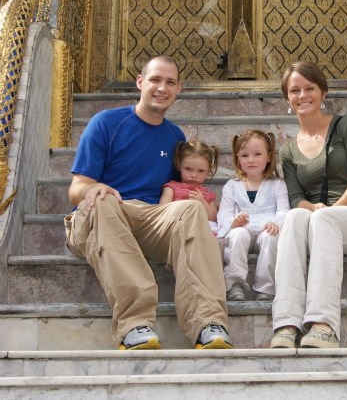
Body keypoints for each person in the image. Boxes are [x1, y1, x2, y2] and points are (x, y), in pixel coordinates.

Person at [65, 55, 233, 351]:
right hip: (101, 215)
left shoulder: (175, 136)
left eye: (170, 82)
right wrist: (95, 187)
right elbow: (76, 189)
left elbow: (180, 190)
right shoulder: (107, 122)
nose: (162, 88)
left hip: (149, 217)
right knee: (104, 200)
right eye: (155, 80)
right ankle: (134, 325)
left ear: (179, 89)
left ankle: (208, 323)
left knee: (191, 208)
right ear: (140, 82)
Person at [270, 61, 347, 349]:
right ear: (287, 97)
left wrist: (330, 211)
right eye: (294, 90)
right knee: (294, 217)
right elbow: (296, 198)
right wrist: (315, 211)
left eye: (309, 88)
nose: (302, 95)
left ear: (323, 92)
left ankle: (323, 325)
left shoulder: (346, 125)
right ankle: (286, 324)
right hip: (320, 223)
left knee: (323, 219)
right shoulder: (288, 150)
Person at [217, 130, 290, 301]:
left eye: (257, 154)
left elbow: (284, 210)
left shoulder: (277, 185)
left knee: (271, 237)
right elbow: (224, 212)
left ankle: (266, 288)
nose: (250, 160)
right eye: (244, 155)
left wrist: (276, 223)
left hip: (266, 230)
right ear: (237, 158)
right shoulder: (232, 185)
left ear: (269, 156)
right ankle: (235, 284)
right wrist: (233, 222)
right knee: (237, 235)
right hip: (244, 230)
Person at [159, 139, 219, 223]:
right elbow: (163, 212)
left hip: (200, 228)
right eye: (188, 169)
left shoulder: (208, 194)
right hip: (177, 225)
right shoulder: (171, 188)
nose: (194, 175)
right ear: (179, 165)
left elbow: (213, 219)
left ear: (208, 172)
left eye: (201, 171)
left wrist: (203, 203)